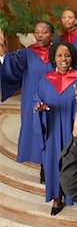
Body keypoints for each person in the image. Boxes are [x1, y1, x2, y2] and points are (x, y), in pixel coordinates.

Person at [34, 42, 77, 216]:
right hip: (52, 126)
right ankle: (57, 196)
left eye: (67, 55)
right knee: (54, 161)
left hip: (74, 128)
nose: (63, 59)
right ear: (53, 58)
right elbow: (35, 100)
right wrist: (39, 107)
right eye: (59, 55)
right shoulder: (45, 80)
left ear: (72, 57)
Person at [0, 21, 54, 180]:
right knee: (36, 131)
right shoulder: (28, 52)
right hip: (32, 99)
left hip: (54, 98)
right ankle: (43, 165)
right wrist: (2, 50)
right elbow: (11, 65)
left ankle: (51, 164)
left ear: (52, 34)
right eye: (37, 32)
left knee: (53, 131)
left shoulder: (59, 52)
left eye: (44, 32)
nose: (40, 35)